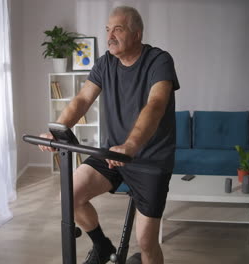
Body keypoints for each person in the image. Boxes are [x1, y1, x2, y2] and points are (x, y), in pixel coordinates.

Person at [39, 6, 179, 264]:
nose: (110, 35)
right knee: (69, 197)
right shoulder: (105, 63)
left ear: (137, 34)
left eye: (118, 29)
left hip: (149, 160)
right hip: (111, 153)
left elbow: (156, 105)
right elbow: (82, 99)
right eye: (107, 29)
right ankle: (102, 246)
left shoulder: (159, 61)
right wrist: (57, 131)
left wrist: (131, 145)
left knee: (147, 243)